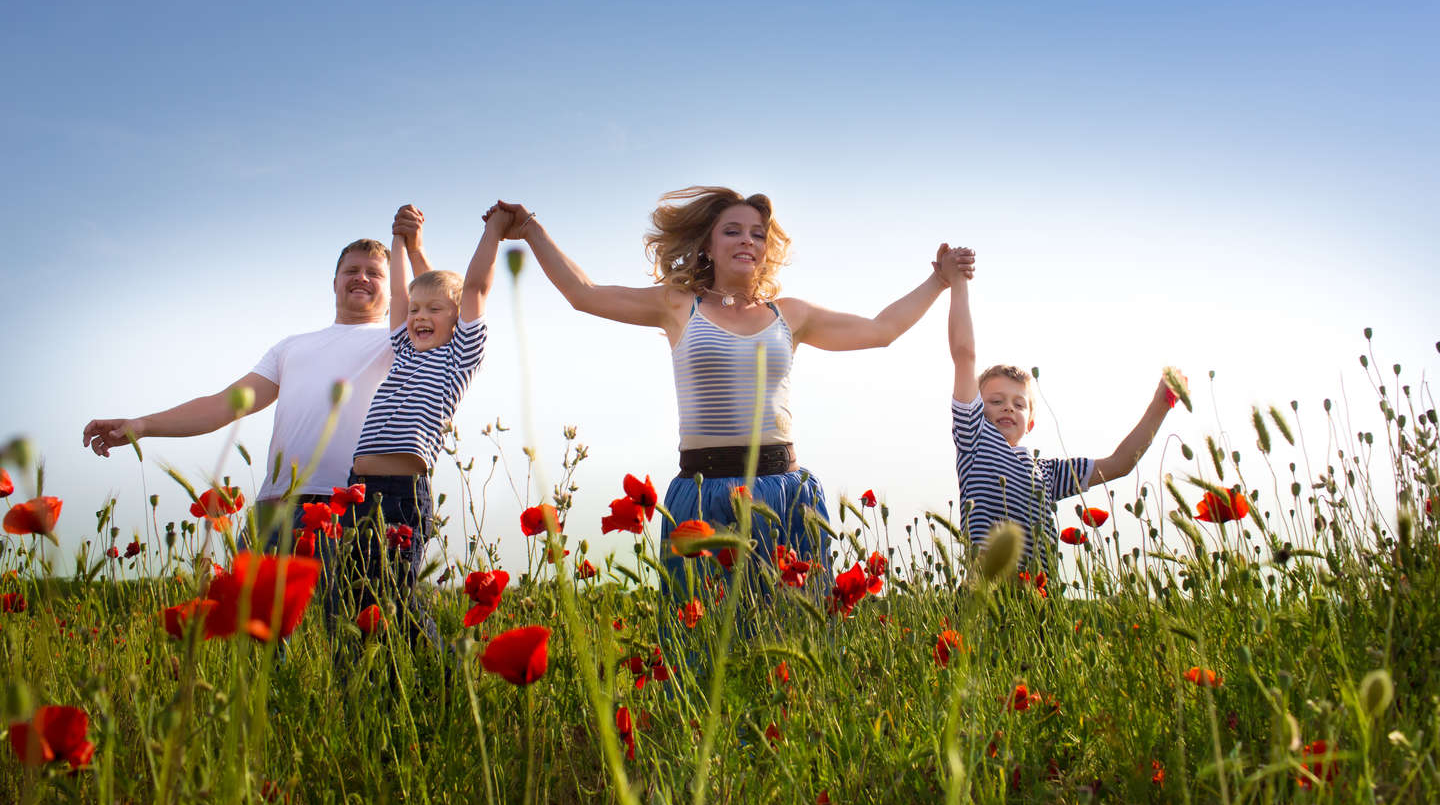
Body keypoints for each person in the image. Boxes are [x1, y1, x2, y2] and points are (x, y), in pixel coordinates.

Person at [489, 187, 955, 611]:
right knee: (701, 646)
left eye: (757, 233)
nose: (747, 240)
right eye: (732, 231)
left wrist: (939, 281)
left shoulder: (790, 315)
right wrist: (530, 228)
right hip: (702, 494)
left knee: (792, 633)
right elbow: (583, 294)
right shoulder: (677, 304)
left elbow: (881, 331)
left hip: (783, 492)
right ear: (708, 246)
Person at [81, 205, 431, 544]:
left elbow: (443, 313)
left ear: (394, 288)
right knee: (253, 606)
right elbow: (224, 405)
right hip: (274, 508)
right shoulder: (290, 346)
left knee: (341, 606)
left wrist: (414, 251)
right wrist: (141, 426)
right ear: (334, 281)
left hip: (353, 503)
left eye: (375, 273)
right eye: (352, 270)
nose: (361, 277)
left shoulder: (399, 340)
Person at [941, 246, 1183, 572]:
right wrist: (958, 281)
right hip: (985, 595)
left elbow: (1120, 463)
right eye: (995, 402)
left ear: (1031, 422)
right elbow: (964, 354)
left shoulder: (1048, 472)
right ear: (976, 410)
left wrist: (1161, 405)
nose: (1007, 409)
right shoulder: (974, 441)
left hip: (1040, 603)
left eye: (1019, 404)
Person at [335, 206, 509, 646]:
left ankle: (442, 675)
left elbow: (473, 287)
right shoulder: (405, 350)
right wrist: (399, 240)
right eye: (415, 310)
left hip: (401, 494)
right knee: (356, 597)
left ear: (457, 319)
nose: (418, 316)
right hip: (358, 488)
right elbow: (398, 295)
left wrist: (492, 231)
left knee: (395, 595)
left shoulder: (459, 358)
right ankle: (374, 687)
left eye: (434, 308)